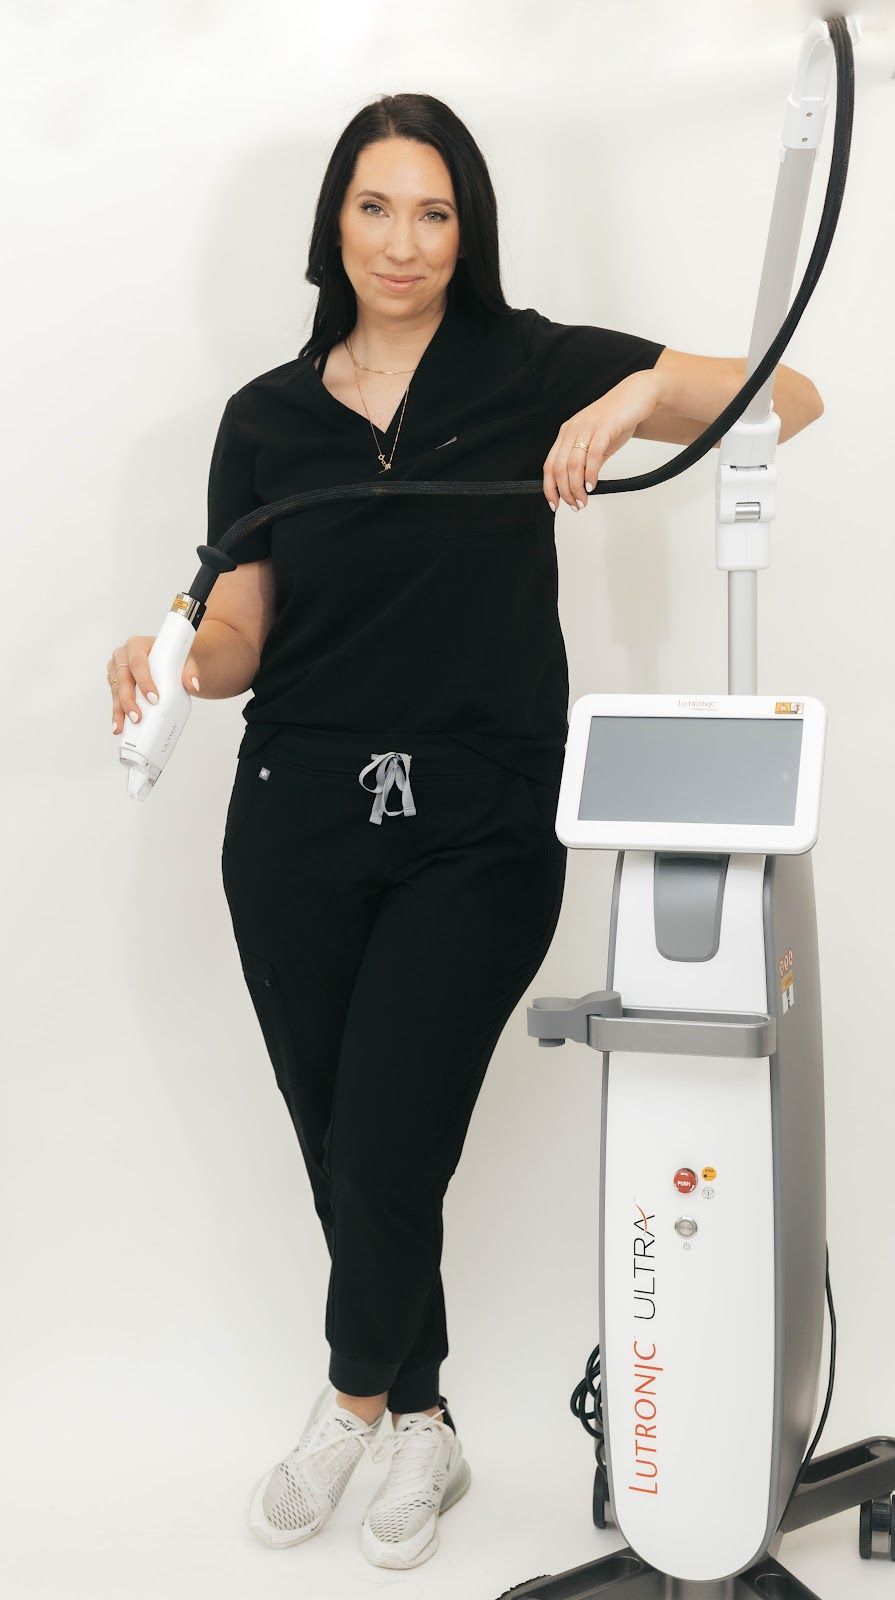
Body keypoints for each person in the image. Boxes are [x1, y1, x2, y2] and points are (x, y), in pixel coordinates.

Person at [106, 87, 820, 1572]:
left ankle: (351, 1399)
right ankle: (425, 1420)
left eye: (435, 211)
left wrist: (629, 402)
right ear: (335, 224)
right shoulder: (266, 419)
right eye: (376, 206)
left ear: (469, 228)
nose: (405, 240)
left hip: (479, 821)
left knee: (385, 1132)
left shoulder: (531, 364)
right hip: (293, 822)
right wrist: (166, 653)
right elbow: (241, 626)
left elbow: (787, 393)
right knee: (346, 1139)